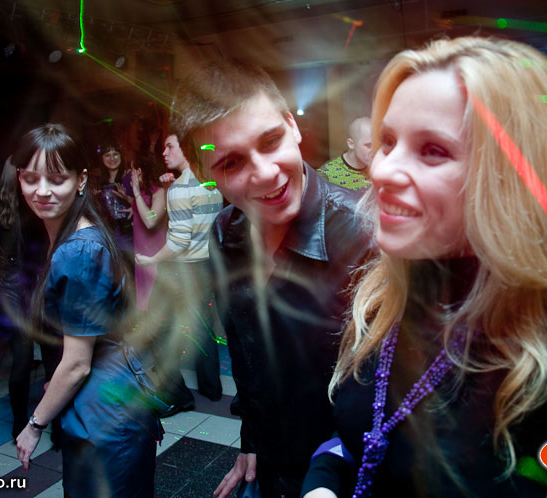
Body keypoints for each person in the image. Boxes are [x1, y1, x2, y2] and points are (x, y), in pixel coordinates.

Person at [301, 37, 547, 498]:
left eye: (433, 150)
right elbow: (363, 437)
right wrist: (323, 483)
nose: (381, 171)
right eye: (387, 142)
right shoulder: (380, 300)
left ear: (512, 181)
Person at [169, 60, 372, 498]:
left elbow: (390, 396)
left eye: (271, 141)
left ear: (291, 126)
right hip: (271, 464)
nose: (264, 172)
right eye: (231, 162)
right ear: (206, 176)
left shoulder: (365, 234)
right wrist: (252, 440)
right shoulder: (225, 233)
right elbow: (246, 354)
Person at [14, 124, 162, 497]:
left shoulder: (78, 249)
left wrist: (34, 425)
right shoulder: (76, 235)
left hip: (105, 414)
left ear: (80, 180)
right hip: (107, 401)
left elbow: (78, 363)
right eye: (30, 178)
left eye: (56, 179)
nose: (41, 190)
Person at [135, 133, 224, 411]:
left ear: (186, 149)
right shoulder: (211, 183)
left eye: (170, 146)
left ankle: (176, 395)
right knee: (203, 327)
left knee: (157, 328)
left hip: (181, 268)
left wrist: (151, 259)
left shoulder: (180, 188)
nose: (164, 152)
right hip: (205, 265)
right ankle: (212, 389)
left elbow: (178, 242)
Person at [127, 146, 168, 311]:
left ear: (140, 171)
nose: (129, 174)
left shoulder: (160, 192)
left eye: (132, 170)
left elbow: (151, 221)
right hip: (141, 251)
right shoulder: (144, 192)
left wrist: (136, 193)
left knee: (154, 300)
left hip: (154, 253)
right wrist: (132, 206)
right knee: (143, 298)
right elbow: (142, 210)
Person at [93, 142, 134, 252]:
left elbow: (150, 209)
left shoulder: (131, 176)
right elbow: (102, 212)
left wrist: (132, 204)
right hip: (113, 234)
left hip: (133, 231)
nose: (112, 158)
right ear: (102, 158)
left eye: (115, 154)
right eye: (107, 155)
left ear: (121, 156)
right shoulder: (100, 182)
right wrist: (95, 199)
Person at [317, 116, 372, 191]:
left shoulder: (379, 167)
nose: (375, 151)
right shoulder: (326, 175)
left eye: (377, 145)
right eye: (369, 145)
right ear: (351, 144)